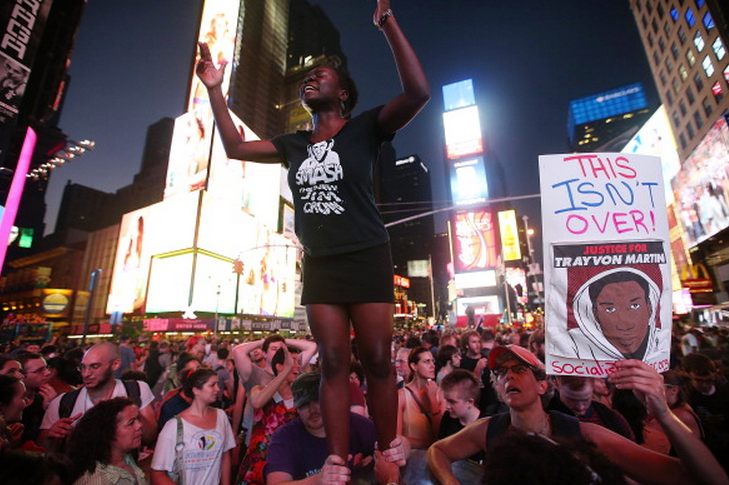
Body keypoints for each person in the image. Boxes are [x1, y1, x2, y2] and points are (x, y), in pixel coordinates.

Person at [196, 1, 429, 482]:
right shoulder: (293, 145)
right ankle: (337, 460)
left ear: (342, 93)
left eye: (322, 75)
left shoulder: (366, 128)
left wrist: (387, 24)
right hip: (321, 262)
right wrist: (216, 91)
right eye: (308, 77)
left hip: (366, 254)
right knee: (334, 365)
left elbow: (418, 91)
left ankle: (389, 450)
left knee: (379, 361)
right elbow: (236, 147)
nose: (311, 79)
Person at [427, 345, 729, 485]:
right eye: (501, 372)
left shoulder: (584, 435)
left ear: (543, 384)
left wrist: (663, 413)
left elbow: (703, 478)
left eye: (519, 369)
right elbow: (437, 451)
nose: (509, 378)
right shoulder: (489, 430)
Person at [265, 372, 408, 485]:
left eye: (318, 401)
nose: (312, 409)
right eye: (304, 404)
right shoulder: (285, 437)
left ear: (330, 401)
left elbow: (399, 442)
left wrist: (400, 450)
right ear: (296, 408)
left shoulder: (352, 422)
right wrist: (318, 481)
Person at [38, 342, 157, 451]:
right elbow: (42, 446)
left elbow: (150, 436)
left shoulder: (136, 390)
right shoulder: (63, 403)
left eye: (94, 367)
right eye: (83, 367)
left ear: (115, 364)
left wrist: (132, 412)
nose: (86, 374)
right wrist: (52, 435)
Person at [151, 367, 236, 485]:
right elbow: (157, 473)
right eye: (212, 385)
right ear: (196, 390)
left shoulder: (221, 416)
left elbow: (225, 455)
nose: (217, 389)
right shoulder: (174, 426)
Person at [565, 268, 662, 362]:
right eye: (610, 309)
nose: (625, 325)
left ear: (649, 307)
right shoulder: (573, 345)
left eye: (634, 306)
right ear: (595, 314)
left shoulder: (660, 344)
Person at [237, 347, 299, 485]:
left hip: (287, 464)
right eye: (293, 361)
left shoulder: (300, 397)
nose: (297, 366)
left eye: (298, 362)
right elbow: (257, 402)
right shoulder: (259, 389)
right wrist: (284, 373)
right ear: (279, 366)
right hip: (258, 463)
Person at [68, 397, 148, 485]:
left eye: (138, 419)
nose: (139, 425)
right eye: (131, 423)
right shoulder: (97, 481)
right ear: (108, 432)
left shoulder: (127, 457)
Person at [547, 375, 635, 440]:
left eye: (585, 400)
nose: (580, 407)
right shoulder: (546, 416)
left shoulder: (612, 418)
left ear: (593, 386)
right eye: (572, 400)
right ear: (557, 385)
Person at [397, 347, 443, 450]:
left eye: (433, 361)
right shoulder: (401, 395)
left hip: (434, 458)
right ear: (414, 366)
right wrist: (429, 443)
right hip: (412, 459)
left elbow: (442, 433)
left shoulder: (439, 393)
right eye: (427, 362)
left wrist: (432, 399)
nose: (432, 366)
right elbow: (397, 437)